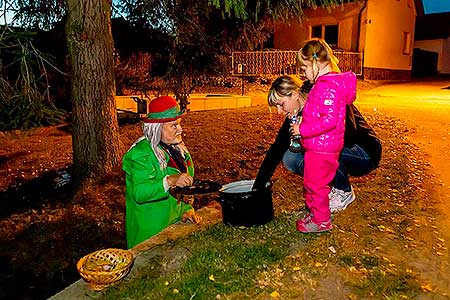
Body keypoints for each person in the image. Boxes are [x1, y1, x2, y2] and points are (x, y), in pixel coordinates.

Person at [255, 38, 359, 233]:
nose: (279, 111)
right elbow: (277, 149)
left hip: (341, 148)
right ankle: (315, 214)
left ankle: (323, 218)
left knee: (317, 184)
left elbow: (331, 121)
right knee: (311, 182)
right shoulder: (320, 87)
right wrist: (257, 186)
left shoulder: (326, 87)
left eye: (303, 69)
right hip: (318, 145)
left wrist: (303, 130)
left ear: (314, 63)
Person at [123, 95, 202, 249]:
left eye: (179, 124)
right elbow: (139, 192)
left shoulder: (178, 149)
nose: (180, 129)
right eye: (174, 125)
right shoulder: (141, 155)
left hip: (172, 226)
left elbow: (184, 186)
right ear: (157, 128)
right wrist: (170, 180)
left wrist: (186, 209)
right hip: (150, 235)